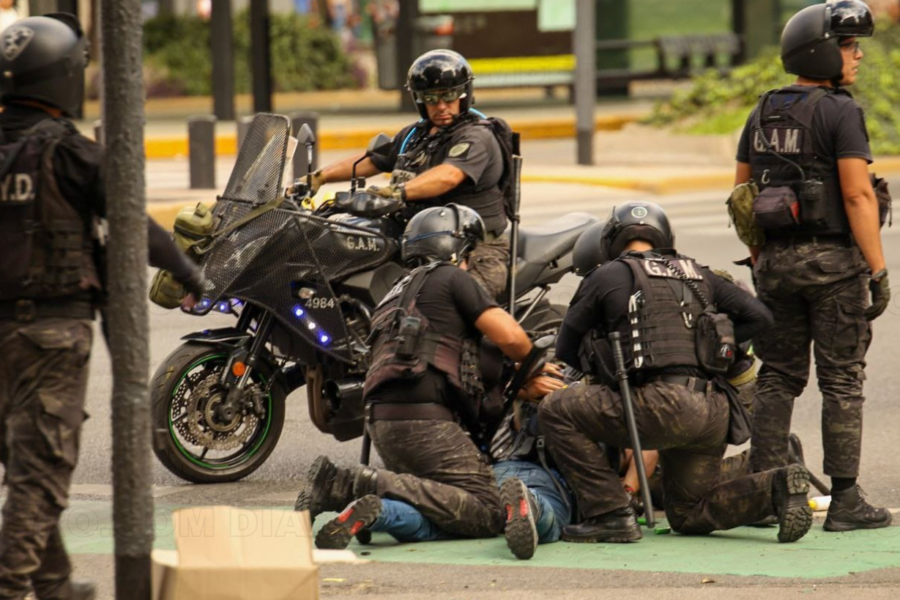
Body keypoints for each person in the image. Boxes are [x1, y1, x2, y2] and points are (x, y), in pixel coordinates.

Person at [0, 15, 204, 600]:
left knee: (22, 462)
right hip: (50, 330)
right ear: (64, 77)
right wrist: (188, 271)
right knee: (41, 472)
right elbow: (134, 221)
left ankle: (55, 585)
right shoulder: (68, 150)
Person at [538, 201, 816, 545]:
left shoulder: (606, 274)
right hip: (713, 412)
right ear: (665, 237)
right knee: (687, 513)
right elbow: (760, 317)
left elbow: (566, 349)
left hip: (660, 406)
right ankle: (775, 487)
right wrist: (708, 348)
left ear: (609, 240)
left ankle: (610, 515)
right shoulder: (698, 273)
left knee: (556, 408)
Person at [295, 204, 563, 549]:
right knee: (490, 508)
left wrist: (516, 383)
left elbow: (459, 360)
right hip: (424, 423)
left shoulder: (395, 295)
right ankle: (349, 484)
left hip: (380, 423)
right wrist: (533, 365)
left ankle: (374, 503)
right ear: (460, 249)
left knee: (446, 503)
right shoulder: (453, 277)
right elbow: (511, 337)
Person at [734, 0, 892, 532]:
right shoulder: (839, 111)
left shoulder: (762, 110)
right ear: (821, 52)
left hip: (775, 266)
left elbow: (741, 195)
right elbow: (857, 195)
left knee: (777, 378)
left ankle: (765, 494)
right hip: (834, 268)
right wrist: (878, 270)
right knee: (842, 379)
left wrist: (763, 260)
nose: (858, 55)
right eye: (848, 45)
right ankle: (845, 502)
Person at [300, 49, 512, 297]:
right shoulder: (415, 135)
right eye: (431, 98)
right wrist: (318, 177)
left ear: (464, 94)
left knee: (443, 304)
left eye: (449, 96)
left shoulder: (476, 136)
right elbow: (372, 161)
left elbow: (449, 175)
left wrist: (396, 192)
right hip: (418, 242)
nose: (441, 106)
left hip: (474, 250)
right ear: (420, 100)